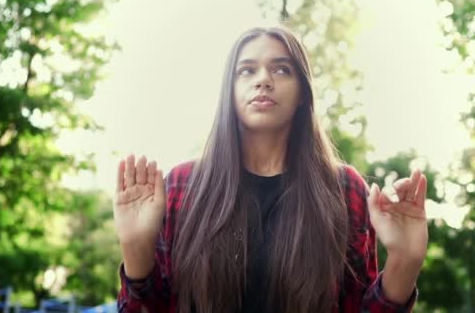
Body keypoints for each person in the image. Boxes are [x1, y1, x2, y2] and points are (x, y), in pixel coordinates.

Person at [113, 26, 428, 313]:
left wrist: (405, 260)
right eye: (246, 70)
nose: (263, 79)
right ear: (229, 92)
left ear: (303, 92)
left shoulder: (344, 189)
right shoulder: (183, 185)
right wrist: (135, 247)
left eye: (281, 69)